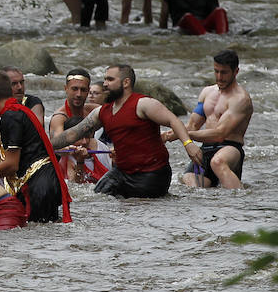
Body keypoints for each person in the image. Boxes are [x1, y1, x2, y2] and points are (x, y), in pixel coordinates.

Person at [51, 64, 205, 199]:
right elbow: (72, 134)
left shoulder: (144, 104)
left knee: (133, 207)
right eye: (104, 79)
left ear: (126, 82)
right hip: (121, 173)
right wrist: (45, 145)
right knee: (96, 199)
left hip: (152, 174)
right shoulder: (102, 112)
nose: (104, 84)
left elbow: (173, 120)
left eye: (110, 80)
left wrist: (188, 144)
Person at [0, 70, 71, 223]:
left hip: (37, 185)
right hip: (43, 182)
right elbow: (0, 151)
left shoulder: (11, 116)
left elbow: (11, 164)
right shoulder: (15, 111)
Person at [180, 50, 252, 189]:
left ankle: (241, 203)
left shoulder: (240, 99)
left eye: (224, 72)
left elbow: (220, 134)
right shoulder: (207, 93)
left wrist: (182, 135)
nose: (219, 77)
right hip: (206, 149)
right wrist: (169, 133)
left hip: (229, 148)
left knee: (218, 162)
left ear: (236, 72)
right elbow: (193, 126)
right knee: (190, 181)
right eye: (216, 71)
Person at [48, 69, 109, 183]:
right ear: (66, 89)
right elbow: (57, 147)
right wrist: (73, 149)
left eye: (83, 90)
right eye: (74, 89)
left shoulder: (93, 110)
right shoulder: (59, 117)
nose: (79, 94)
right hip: (66, 168)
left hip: (90, 158)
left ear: (88, 91)